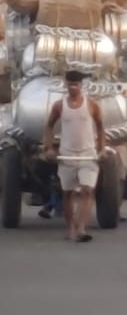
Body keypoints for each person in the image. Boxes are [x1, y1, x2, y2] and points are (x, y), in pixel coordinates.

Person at [44, 70, 105, 243]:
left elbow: (101, 127)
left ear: (81, 86)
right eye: (70, 84)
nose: (73, 88)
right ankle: (70, 227)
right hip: (67, 155)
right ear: (66, 84)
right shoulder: (59, 105)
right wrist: (49, 148)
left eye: (76, 84)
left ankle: (81, 228)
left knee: (87, 190)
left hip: (88, 155)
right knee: (68, 193)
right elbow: (49, 126)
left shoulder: (91, 105)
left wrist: (101, 149)